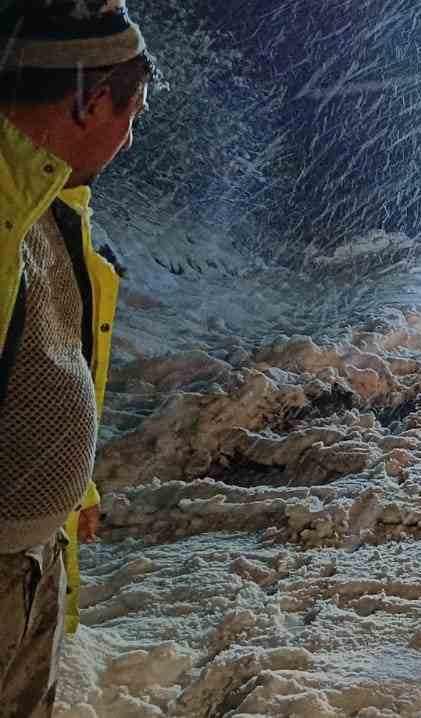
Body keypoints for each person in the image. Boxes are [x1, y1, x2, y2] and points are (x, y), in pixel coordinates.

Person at [0, 1, 155, 713]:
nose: (129, 140)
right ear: (93, 101)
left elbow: (54, 355)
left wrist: (74, 492)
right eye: (134, 115)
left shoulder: (56, 201)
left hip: (36, 560)